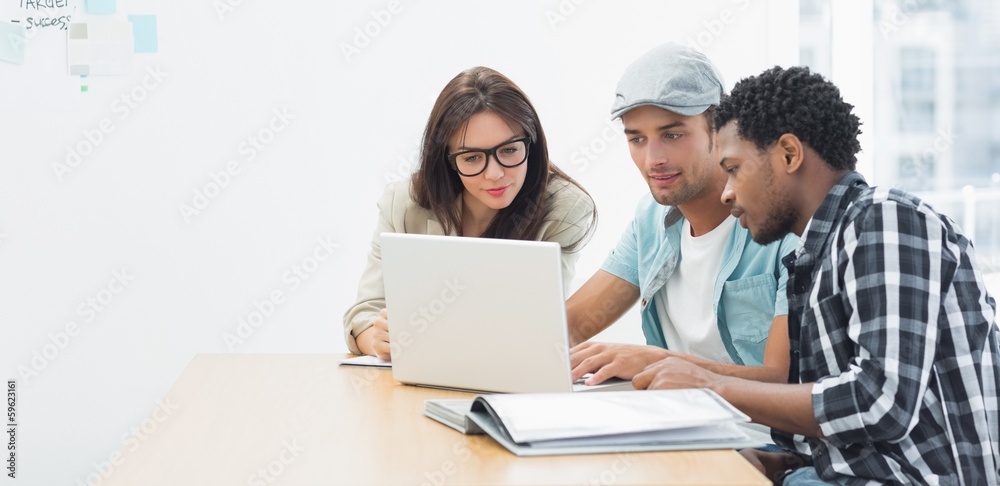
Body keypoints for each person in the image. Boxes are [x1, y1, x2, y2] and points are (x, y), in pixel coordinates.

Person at [635, 65, 1000, 485]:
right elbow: (847, 424)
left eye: (734, 168)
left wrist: (711, 386)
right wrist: (788, 462)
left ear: (789, 154)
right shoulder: (812, 256)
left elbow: (880, 404)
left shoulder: (884, 219)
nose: (727, 192)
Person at [568, 43, 797, 386]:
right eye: (637, 140)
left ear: (719, 129)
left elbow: (785, 383)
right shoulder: (651, 220)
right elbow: (570, 327)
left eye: (672, 135)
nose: (652, 160)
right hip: (671, 424)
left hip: (757, 436)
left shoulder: (779, 225)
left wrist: (660, 362)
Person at [343, 66, 597, 360]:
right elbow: (364, 312)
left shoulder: (566, 209)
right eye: (473, 157)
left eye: (510, 151)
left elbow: (543, 327)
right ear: (448, 160)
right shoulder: (403, 202)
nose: (495, 173)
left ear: (532, 143)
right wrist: (377, 339)